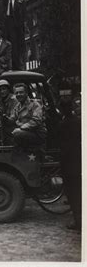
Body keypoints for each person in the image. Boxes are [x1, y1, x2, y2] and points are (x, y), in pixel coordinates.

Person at [57, 98, 81, 231]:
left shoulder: (62, 124)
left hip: (67, 161)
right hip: (78, 159)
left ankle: (78, 221)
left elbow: (58, 140)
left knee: (72, 192)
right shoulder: (78, 122)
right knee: (79, 190)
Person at [10, 83, 47, 151]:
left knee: (17, 133)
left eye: (21, 92)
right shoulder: (17, 107)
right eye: (16, 93)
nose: (18, 94)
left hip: (37, 133)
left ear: (26, 93)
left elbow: (36, 121)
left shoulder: (35, 104)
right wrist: (6, 119)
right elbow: (13, 118)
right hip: (26, 133)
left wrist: (21, 128)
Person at [0, 79, 18, 144]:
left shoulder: (14, 100)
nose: (2, 91)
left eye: (4, 89)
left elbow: (14, 117)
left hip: (14, 125)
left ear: (8, 89)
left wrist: (4, 118)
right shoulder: (0, 102)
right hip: (4, 126)